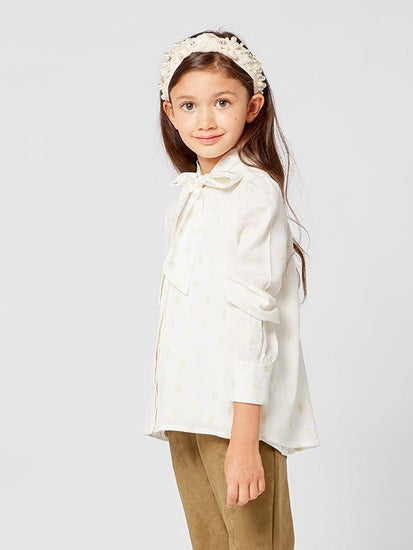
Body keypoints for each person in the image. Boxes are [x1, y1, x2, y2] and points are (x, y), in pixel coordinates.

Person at [144, 30, 321, 549]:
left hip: (237, 418)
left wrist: (245, 439)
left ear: (253, 107)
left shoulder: (252, 193)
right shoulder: (191, 197)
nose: (205, 120)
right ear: (170, 112)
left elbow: (251, 316)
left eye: (222, 102)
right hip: (187, 409)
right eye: (189, 105)